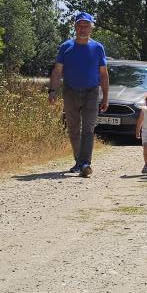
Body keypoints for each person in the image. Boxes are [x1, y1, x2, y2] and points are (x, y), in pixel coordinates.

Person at [48, 12, 109, 177]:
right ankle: (79, 162)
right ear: (75, 27)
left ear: (91, 28)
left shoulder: (98, 48)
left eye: (86, 26)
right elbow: (57, 71)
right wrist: (52, 91)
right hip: (70, 91)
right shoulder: (65, 47)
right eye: (79, 26)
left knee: (88, 128)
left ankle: (85, 163)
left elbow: (103, 74)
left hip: (91, 92)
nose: (82, 29)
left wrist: (106, 96)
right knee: (74, 128)